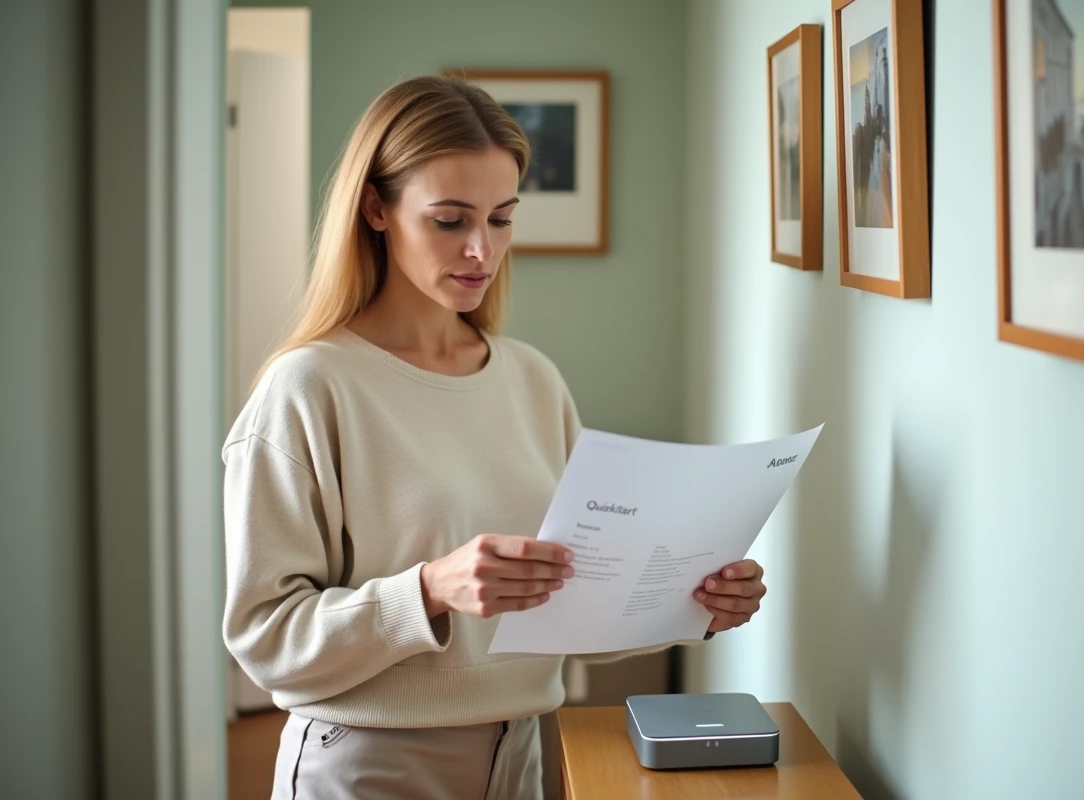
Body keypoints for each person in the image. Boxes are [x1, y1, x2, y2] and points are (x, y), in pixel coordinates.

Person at [221, 74, 768, 800]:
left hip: (523, 757)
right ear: (376, 208)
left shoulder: (531, 379)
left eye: (502, 219)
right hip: (368, 765)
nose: (482, 249)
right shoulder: (309, 387)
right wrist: (428, 591)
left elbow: (574, 605)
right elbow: (265, 639)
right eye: (450, 221)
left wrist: (697, 606)